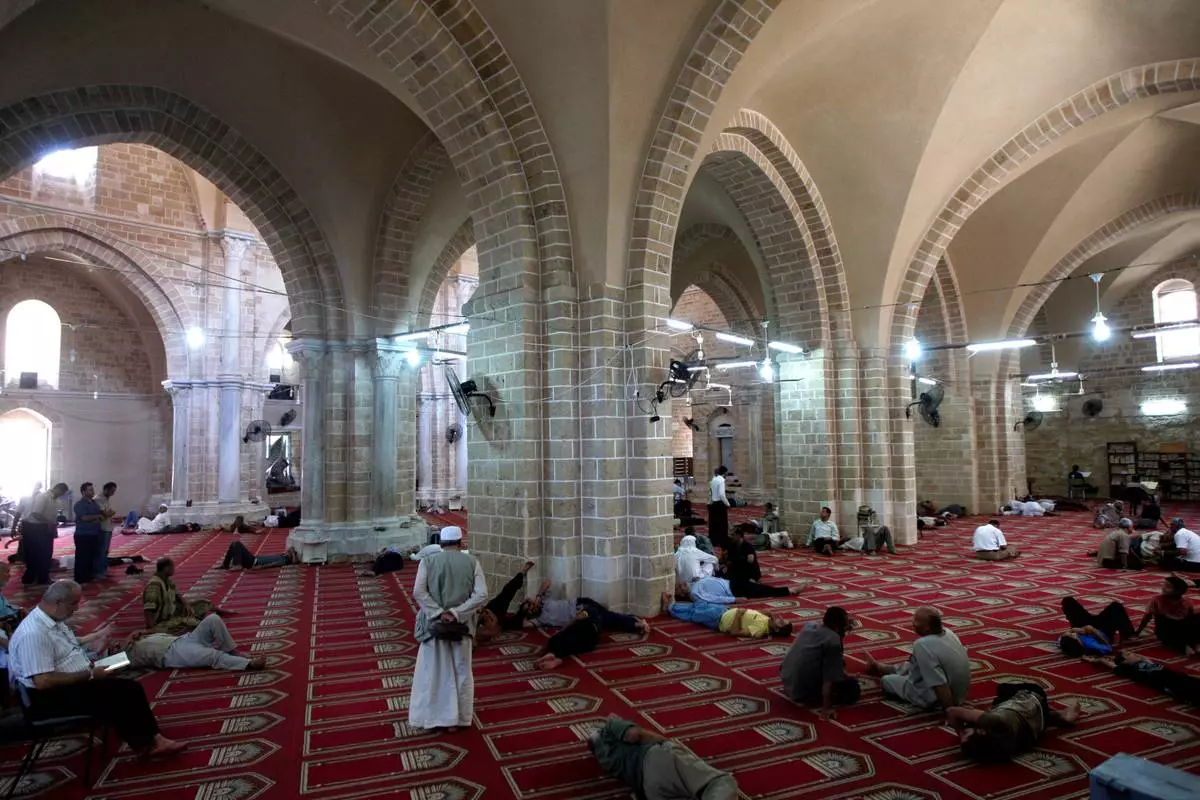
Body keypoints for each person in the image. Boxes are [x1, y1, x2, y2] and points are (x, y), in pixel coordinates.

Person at [8, 581, 186, 758]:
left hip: (68, 684)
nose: (76, 609)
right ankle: (150, 743)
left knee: (123, 686)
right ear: (57, 603)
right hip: (48, 699)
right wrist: (91, 674)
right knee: (126, 691)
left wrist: (95, 659)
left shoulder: (52, 620)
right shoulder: (34, 634)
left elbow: (67, 649)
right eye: (73, 604)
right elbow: (43, 681)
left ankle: (145, 739)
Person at [407, 526, 487, 732]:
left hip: (434, 626)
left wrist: (439, 612)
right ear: (461, 543)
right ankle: (459, 719)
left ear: (441, 544)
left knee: (433, 673)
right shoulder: (472, 562)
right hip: (462, 627)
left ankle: (434, 718)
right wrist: (457, 613)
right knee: (462, 672)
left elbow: (419, 592)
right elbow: (481, 595)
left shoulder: (428, 561)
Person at [588, 716, 737, 800]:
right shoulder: (608, 728)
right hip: (657, 761)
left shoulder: (605, 761)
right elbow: (634, 735)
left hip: (649, 790)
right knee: (719, 782)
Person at [865, 607, 970, 709]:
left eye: (917, 621)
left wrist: (950, 709)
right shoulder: (949, 633)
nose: (913, 623)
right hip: (960, 693)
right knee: (915, 665)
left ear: (928, 627)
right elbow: (914, 666)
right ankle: (879, 667)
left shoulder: (922, 645)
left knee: (886, 681)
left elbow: (939, 682)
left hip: (937, 698)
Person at [948, 683, 1080, 762]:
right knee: (1002, 689)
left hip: (1037, 729)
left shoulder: (1000, 750)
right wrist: (960, 731)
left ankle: (1057, 717)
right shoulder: (992, 721)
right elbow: (952, 711)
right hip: (1034, 697)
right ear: (982, 732)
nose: (964, 729)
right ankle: (1058, 716)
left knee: (1009, 715)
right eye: (966, 732)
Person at [780, 606, 860, 719]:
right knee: (853, 688)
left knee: (832, 659)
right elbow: (828, 678)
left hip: (787, 678)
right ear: (837, 626)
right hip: (801, 691)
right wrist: (826, 707)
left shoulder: (810, 625)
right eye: (845, 625)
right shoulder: (833, 640)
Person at [128, 612, 266, 671]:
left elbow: (155, 631)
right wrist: (123, 646)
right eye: (110, 645)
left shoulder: (131, 641)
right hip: (173, 654)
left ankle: (232, 651)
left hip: (182, 639)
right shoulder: (124, 657)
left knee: (213, 619)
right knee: (212, 655)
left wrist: (140, 633)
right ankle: (248, 664)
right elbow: (106, 668)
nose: (114, 643)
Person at [522, 580, 650, 635]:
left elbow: (547, 582)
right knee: (606, 620)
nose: (533, 607)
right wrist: (523, 613)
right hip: (579, 619)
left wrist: (536, 597)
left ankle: (637, 623)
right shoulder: (539, 620)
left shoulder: (544, 599)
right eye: (531, 609)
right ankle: (637, 622)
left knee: (606, 618)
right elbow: (523, 624)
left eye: (532, 605)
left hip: (582, 605)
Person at [1084, 651, 1200, 706]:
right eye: (1129, 655)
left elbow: (1143, 658)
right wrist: (1093, 660)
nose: (1134, 654)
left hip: (1178, 677)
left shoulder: (1146, 662)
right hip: (1170, 684)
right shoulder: (1129, 670)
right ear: (1125, 662)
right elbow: (1107, 663)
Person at [662, 591, 792, 639]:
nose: (780, 618)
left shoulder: (759, 630)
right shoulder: (767, 619)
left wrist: (738, 615)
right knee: (698, 605)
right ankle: (673, 605)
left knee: (694, 614)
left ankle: (669, 609)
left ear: (776, 629)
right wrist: (769, 614)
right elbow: (751, 614)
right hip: (725, 611)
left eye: (781, 622)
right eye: (782, 619)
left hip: (719, 620)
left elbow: (735, 632)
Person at [143, 557, 217, 634]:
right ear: (166, 569)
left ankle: (191, 619)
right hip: (163, 622)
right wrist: (152, 629)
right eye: (172, 567)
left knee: (204, 603)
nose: (174, 570)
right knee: (197, 624)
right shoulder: (154, 586)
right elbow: (148, 609)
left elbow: (177, 594)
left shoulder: (167, 580)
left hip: (174, 612)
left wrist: (186, 605)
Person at [1136, 575, 1200, 656]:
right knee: (1163, 620)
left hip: (1182, 628)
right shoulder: (1157, 600)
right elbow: (1147, 616)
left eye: (1168, 587)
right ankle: (1184, 646)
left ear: (1178, 592)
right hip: (1167, 629)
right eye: (1163, 585)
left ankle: (1196, 643)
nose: (1163, 588)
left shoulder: (1186, 602)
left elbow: (1192, 619)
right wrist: (1138, 631)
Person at [476, 560, 535, 645]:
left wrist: (485, 613)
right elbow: (494, 632)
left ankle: (522, 573)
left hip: (494, 609)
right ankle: (523, 613)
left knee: (507, 591)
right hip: (500, 622)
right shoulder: (477, 631)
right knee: (516, 622)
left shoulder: (479, 614)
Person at [19, 482, 67, 586]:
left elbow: (52, 516)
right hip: (35, 529)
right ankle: (30, 578)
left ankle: (42, 578)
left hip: (47, 529)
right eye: (62, 493)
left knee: (46, 554)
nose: (61, 495)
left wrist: (53, 525)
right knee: (35, 554)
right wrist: (48, 522)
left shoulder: (56, 500)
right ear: (58, 489)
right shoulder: (43, 497)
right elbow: (35, 514)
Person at [1060, 596, 1136, 643]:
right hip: (1099, 631)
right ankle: (1127, 632)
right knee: (1116, 606)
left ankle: (1126, 632)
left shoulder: (1078, 625)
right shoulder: (1079, 630)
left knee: (1068, 601)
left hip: (1094, 626)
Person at [679, 575, 804, 604]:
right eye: (680, 587)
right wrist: (734, 599)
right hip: (732, 591)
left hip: (731, 583)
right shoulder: (695, 593)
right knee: (763, 591)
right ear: (683, 594)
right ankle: (790, 591)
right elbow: (714, 599)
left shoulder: (693, 583)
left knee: (760, 588)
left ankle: (788, 590)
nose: (682, 584)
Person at [71, 482, 104, 584]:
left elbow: (98, 515)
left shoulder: (94, 503)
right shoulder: (79, 504)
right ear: (83, 492)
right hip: (83, 534)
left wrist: (99, 516)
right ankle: (80, 578)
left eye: (92, 489)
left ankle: (88, 576)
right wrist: (96, 516)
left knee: (90, 556)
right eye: (90, 490)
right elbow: (84, 518)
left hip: (94, 533)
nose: (92, 491)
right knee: (82, 557)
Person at [220, 541, 299, 570]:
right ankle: (225, 564)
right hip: (253, 559)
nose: (286, 551)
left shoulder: (283, 560)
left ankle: (238, 565)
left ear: (290, 556)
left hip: (254, 562)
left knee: (237, 543)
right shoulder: (281, 556)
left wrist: (261, 567)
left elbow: (273, 564)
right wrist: (289, 552)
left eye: (288, 552)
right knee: (233, 544)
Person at [95, 482, 118, 578]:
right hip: (102, 528)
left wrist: (109, 513)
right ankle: (98, 572)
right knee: (101, 550)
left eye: (114, 491)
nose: (113, 493)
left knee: (105, 551)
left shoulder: (106, 499)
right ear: (106, 489)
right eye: (112, 491)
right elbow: (106, 513)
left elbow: (110, 513)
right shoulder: (98, 499)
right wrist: (109, 513)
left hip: (108, 527)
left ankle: (103, 570)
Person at [707, 467, 731, 548]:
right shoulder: (721, 480)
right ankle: (722, 540)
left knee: (714, 524)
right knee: (722, 524)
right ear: (724, 472)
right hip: (719, 505)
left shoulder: (714, 480)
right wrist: (727, 504)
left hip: (713, 504)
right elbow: (721, 494)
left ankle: (714, 540)